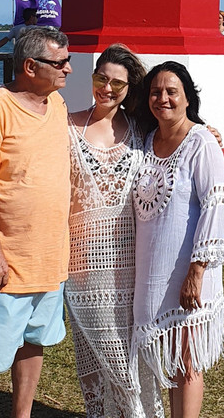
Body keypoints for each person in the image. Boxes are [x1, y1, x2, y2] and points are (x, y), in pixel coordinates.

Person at [0, 26, 72, 418]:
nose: (69, 70)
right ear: (30, 66)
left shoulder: (57, 104)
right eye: (60, 63)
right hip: (7, 261)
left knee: (34, 341)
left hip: (50, 257)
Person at [66, 44, 163, 418]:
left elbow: (181, 143)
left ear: (130, 89)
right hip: (84, 265)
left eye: (117, 84)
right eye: (100, 79)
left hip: (134, 265)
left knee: (135, 355)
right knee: (99, 357)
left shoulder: (143, 130)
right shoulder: (68, 124)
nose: (107, 88)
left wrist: (208, 135)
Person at [131, 62, 224, 418]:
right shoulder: (143, 140)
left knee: (187, 362)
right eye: (156, 91)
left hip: (189, 270)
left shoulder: (201, 142)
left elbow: (216, 203)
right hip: (152, 271)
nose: (163, 98)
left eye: (172, 91)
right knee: (170, 361)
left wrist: (197, 270)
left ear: (188, 97)